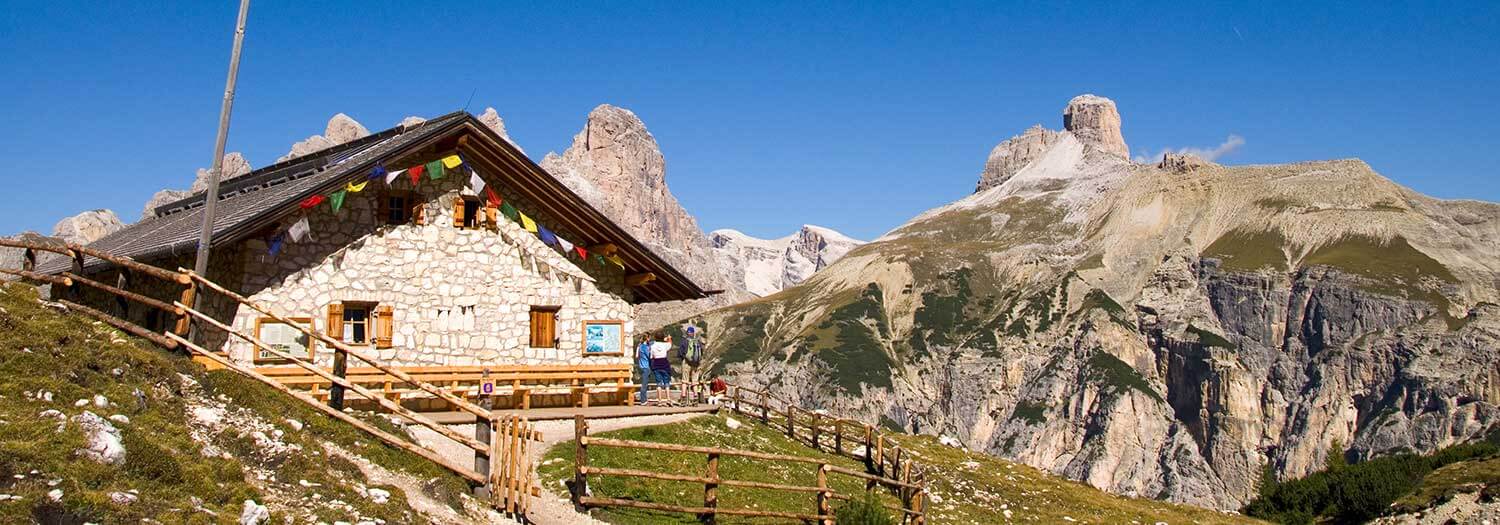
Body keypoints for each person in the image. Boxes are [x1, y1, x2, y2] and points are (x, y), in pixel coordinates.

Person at [649, 333, 673, 402]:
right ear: (662, 338)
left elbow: (651, 356)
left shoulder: (653, 346)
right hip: (664, 364)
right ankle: (668, 399)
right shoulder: (665, 345)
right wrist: (669, 338)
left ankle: (659, 400)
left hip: (656, 364)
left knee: (658, 383)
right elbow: (670, 344)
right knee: (666, 383)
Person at [635, 335, 653, 403]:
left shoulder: (640, 346)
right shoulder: (645, 347)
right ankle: (643, 400)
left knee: (644, 383)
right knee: (644, 384)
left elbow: (637, 356)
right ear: (647, 338)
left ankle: (644, 399)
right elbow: (649, 356)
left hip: (641, 366)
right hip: (646, 366)